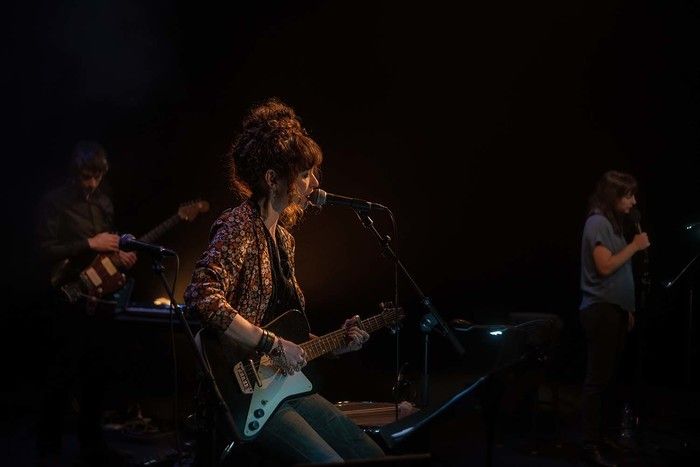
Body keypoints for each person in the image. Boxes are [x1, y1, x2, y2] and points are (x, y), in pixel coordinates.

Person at [184, 98, 385, 464]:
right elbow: (202, 296)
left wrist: (336, 343)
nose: (314, 182)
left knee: (368, 453)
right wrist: (274, 344)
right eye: (304, 173)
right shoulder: (238, 225)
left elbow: (286, 333)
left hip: (281, 385)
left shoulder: (285, 240)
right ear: (272, 178)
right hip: (244, 392)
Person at [35, 141, 137, 466]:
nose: (90, 184)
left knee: (97, 373)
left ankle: (92, 446)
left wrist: (118, 255)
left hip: (98, 299)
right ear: (74, 174)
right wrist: (88, 242)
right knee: (61, 374)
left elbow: (103, 250)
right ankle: (48, 449)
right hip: (65, 296)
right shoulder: (54, 202)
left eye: (96, 177)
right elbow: (44, 251)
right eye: (85, 177)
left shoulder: (104, 202)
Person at [578, 170, 650, 466]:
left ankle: (604, 436)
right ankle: (589, 444)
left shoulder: (615, 225)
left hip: (616, 310)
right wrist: (635, 246)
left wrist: (628, 309)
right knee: (597, 380)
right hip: (600, 309)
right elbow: (605, 267)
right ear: (614, 196)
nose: (633, 201)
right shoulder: (597, 222)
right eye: (628, 195)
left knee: (610, 380)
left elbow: (621, 274)